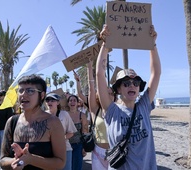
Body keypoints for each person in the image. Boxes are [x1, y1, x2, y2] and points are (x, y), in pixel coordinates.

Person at [96, 25, 161, 170]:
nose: (132, 86)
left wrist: (152, 44)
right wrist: (105, 45)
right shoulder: (111, 110)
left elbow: (156, 73)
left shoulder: (144, 106)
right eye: (126, 83)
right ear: (118, 88)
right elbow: (100, 74)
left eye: (135, 83)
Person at [0, 74, 66, 170]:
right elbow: (2, 160)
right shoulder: (12, 122)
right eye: (20, 90)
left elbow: (60, 163)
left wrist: (31, 159)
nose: (23, 94)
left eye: (30, 91)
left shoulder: (53, 122)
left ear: (42, 95)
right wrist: (17, 160)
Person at [86, 59, 116, 170]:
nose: (109, 95)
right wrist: (90, 69)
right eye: (106, 93)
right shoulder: (95, 110)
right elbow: (91, 89)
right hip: (98, 153)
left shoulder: (119, 111)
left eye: (111, 93)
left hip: (115, 152)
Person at [45, 92, 77, 170]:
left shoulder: (64, 114)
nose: (49, 102)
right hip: (48, 150)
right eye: (48, 100)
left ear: (58, 102)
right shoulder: (43, 115)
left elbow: (71, 132)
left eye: (52, 100)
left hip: (65, 149)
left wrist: (61, 139)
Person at [68, 94, 88, 170]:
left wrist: (84, 147)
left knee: (77, 167)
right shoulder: (64, 114)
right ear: (68, 103)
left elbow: (85, 132)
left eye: (74, 100)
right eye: (70, 100)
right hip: (66, 146)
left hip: (78, 146)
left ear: (77, 103)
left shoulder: (82, 115)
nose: (72, 102)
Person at [0, 90, 14, 160]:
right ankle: (1, 162)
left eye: (1, 95)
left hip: (4, 131)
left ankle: (3, 163)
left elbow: (10, 120)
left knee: (4, 149)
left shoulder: (8, 107)